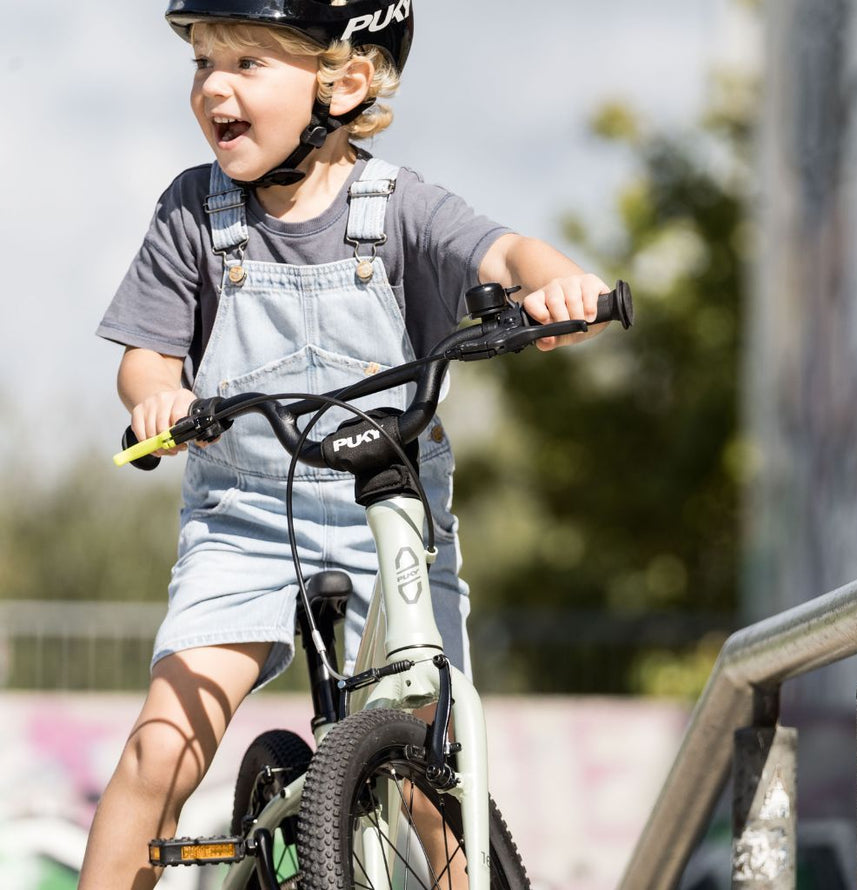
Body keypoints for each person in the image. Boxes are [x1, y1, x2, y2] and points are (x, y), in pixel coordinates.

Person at [85, 1, 611, 887]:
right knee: (160, 748)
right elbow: (145, 359)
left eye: (248, 62)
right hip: (244, 520)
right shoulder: (193, 212)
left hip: (388, 520)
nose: (214, 84)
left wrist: (557, 285)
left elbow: (503, 251)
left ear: (345, 82)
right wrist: (158, 399)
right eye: (202, 62)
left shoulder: (398, 208)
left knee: (431, 782)